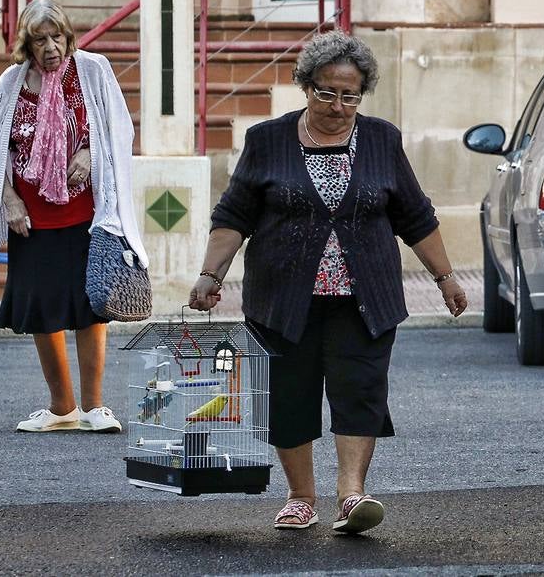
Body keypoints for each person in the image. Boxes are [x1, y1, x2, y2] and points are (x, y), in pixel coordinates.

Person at [187, 31, 468, 534]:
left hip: (365, 298)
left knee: (359, 390)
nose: (338, 106)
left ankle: (351, 496)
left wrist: (445, 278)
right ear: (305, 85)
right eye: (326, 92)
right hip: (282, 298)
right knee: (289, 395)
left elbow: (415, 216)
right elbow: (235, 214)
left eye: (350, 95)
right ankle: (300, 498)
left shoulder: (382, 139)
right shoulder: (267, 140)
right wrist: (212, 274)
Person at [0, 0, 146, 434]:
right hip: (31, 216)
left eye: (58, 37)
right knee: (43, 309)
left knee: (90, 306)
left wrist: (88, 152)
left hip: (87, 211)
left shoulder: (92, 70)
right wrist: (7, 198)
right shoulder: (10, 84)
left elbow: (117, 127)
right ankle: (62, 406)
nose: (51, 47)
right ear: (26, 45)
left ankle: (96, 406)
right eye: (40, 39)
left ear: (69, 37)